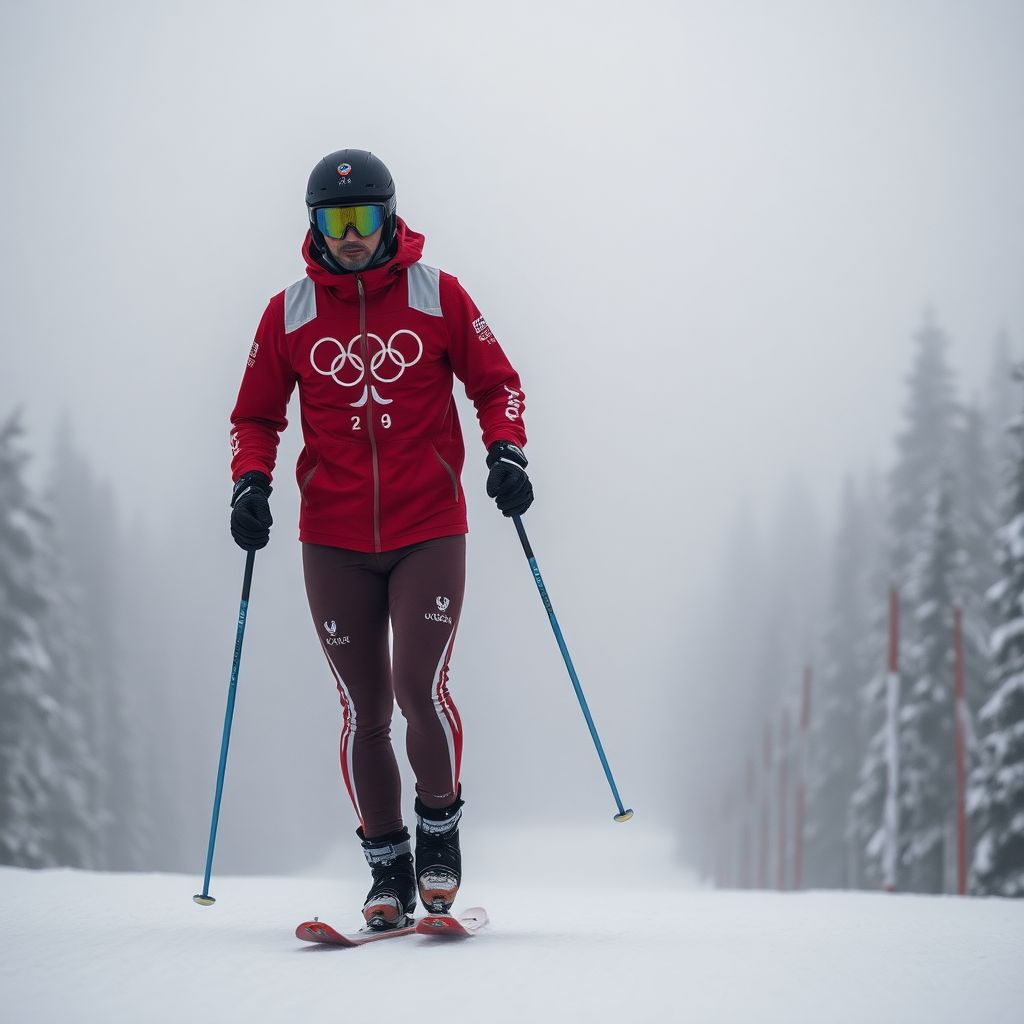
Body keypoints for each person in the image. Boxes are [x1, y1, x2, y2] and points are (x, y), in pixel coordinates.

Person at [227, 149, 532, 929]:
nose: (352, 237)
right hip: (330, 538)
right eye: (336, 222)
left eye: (364, 219)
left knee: (417, 688)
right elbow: (255, 416)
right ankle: (386, 868)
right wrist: (250, 482)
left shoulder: (438, 294)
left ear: (390, 217)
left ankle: (438, 839)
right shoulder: (288, 312)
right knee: (363, 708)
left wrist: (505, 449)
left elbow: (495, 382)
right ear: (314, 227)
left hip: (429, 525)